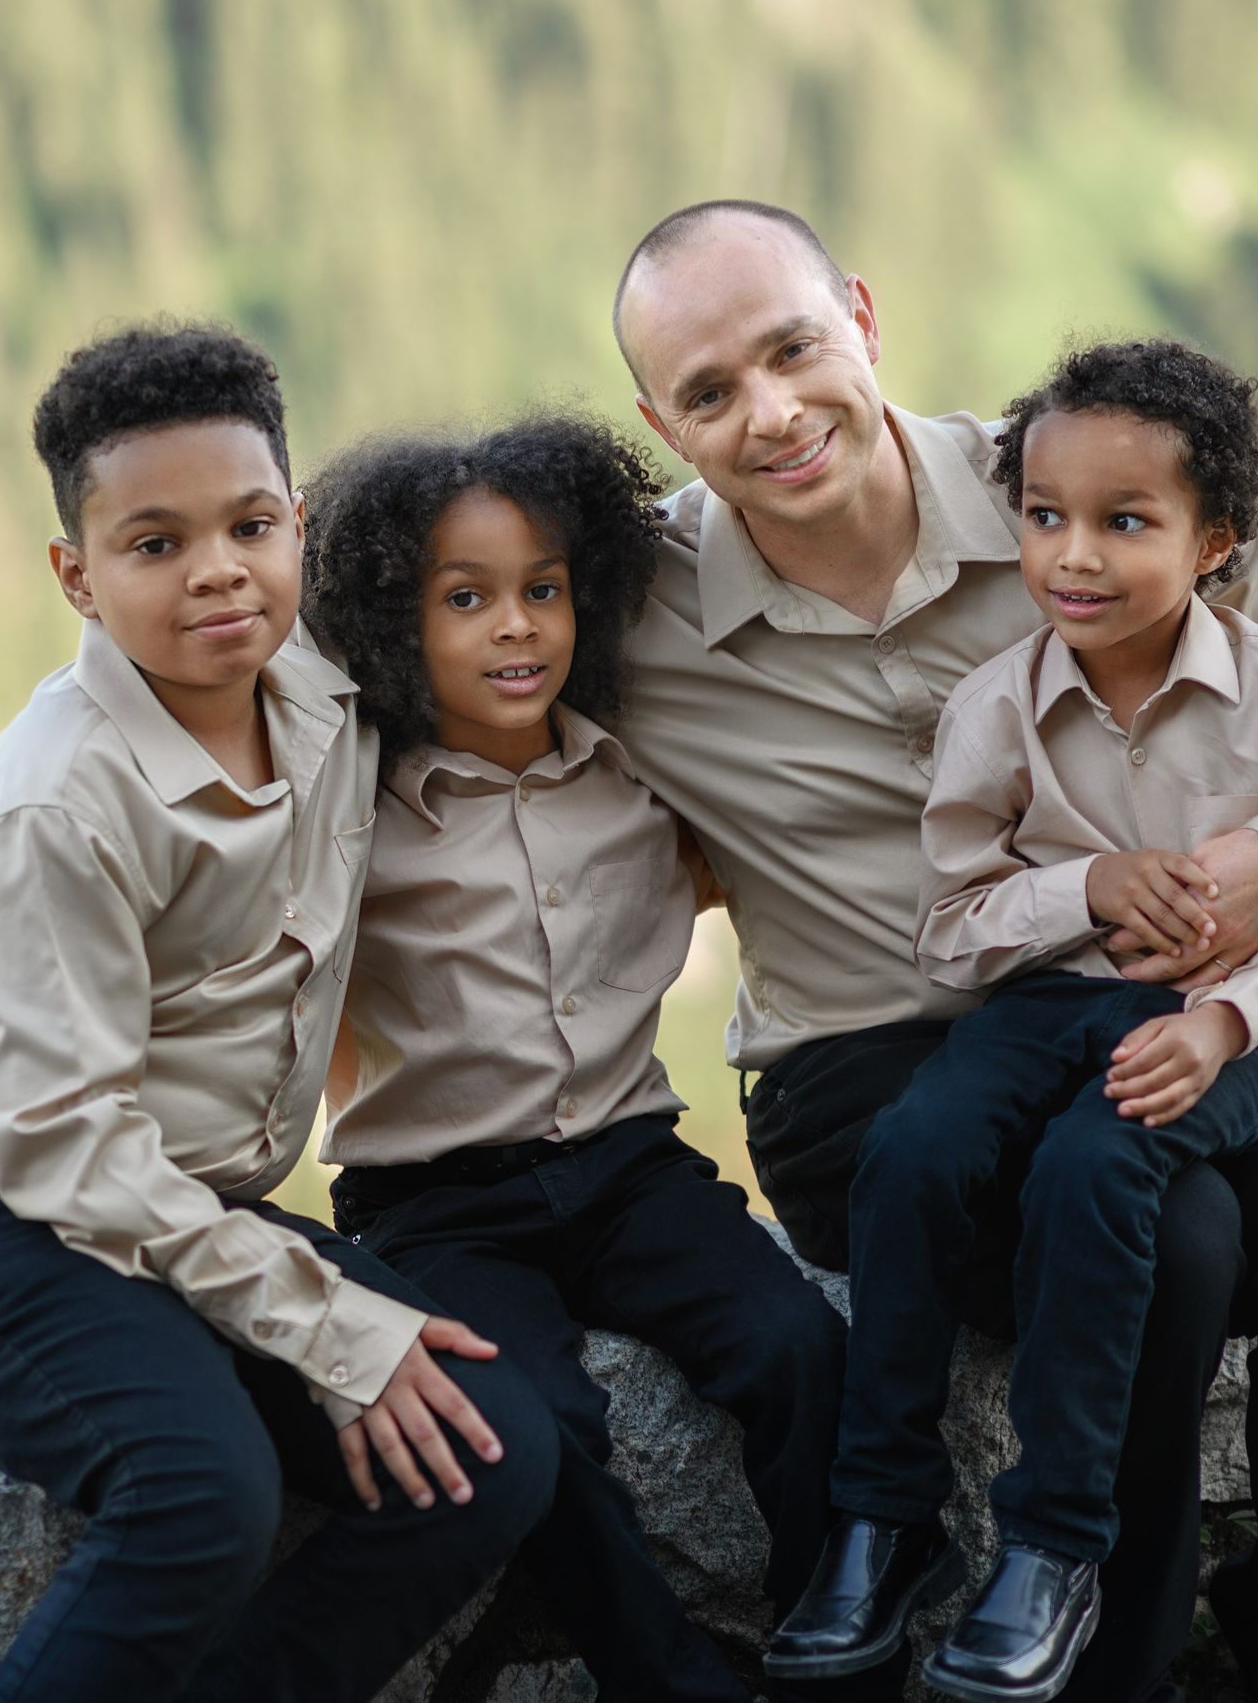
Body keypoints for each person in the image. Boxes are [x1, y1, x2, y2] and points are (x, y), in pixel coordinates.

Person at [608, 203, 1258, 1703]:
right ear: (658, 419)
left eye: (793, 347)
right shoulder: (632, 605)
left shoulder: (1068, 488)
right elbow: (406, 647)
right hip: (864, 1071)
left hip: (1147, 1002)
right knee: (1172, 1236)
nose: (772, 411)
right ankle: (1098, 1666)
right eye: (710, 390)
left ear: (860, 314)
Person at [0, 322, 554, 1703]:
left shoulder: (330, 689)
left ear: (297, 524)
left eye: (249, 524)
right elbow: (57, 1152)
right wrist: (333, 1329)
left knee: (488, 1449)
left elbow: (539, 579)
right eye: (155, 543)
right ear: (79, 574)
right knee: (199, 1486)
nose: (217, 568)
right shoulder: (58, 797)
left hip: (171, 1209)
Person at [815, 339, 1258, 1701]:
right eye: (1045, 516)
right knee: (917, 1140)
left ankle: (1053, 1547)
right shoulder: (998, 702)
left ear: (1216, 539)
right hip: (1044, 995)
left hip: (1227, 1019)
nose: (1075, 555)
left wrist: (1224, 1024)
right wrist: (1087, 884)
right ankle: (882, 1514)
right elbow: (953, 918)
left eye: (1126, 521)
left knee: (1099, 1162)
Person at [301, 415, 859, 1702]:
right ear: (390, 621)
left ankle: (834, 1648)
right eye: (466, 598)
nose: (517, 627)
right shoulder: (350, 817)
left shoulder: (642, 784)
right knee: (534, 1429)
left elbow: (805, 832)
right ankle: (666, 1680)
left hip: (630, 1171)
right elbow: (181, 857)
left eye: (543, 590)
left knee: (795, 1347)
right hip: (438, 1207)